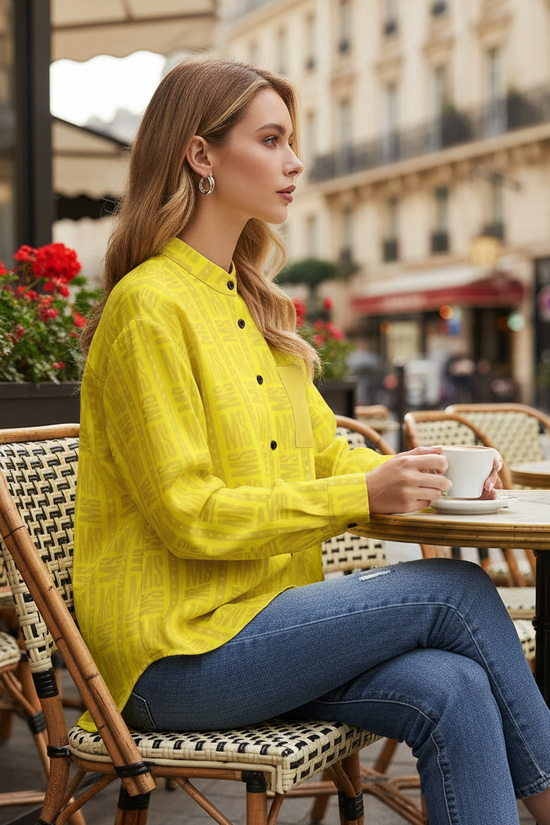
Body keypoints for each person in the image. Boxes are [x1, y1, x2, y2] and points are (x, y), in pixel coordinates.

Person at [74, 56, 550, 825]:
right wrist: (361, 494)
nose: (295, 162)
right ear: (201, 154)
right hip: (173, 656)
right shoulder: (149, 308)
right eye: (271, 139)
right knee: (456, 589)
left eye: (292, 140)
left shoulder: (258, 309)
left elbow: (325, 455)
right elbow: (189, 513)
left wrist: (424, 472)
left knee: (454, 688)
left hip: (264, 623)